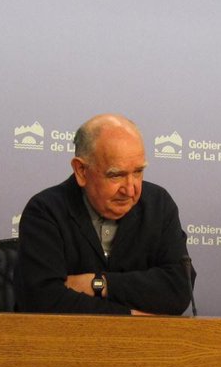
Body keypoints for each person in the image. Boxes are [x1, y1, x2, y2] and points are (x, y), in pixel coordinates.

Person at [16, 113, 193, 315]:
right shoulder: (45, 211)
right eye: (116, 175)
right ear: (81, 171)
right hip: (66, 337)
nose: (130, 189)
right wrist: (129, 317)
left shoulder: (158, 204)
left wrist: (98, 283)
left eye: (138, 172)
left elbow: (179, 288)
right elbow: (42, 300)